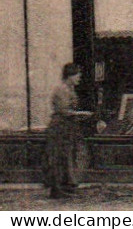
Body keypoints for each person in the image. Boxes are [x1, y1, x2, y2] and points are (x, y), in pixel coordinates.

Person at [42, 63, 91, 200]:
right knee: (59, 157)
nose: (79, 78)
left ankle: (65, 187)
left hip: (68, 127)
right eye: (77, 75)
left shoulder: (69, 89)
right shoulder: (62, 90)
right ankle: (57, 189)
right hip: (60, 128)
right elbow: (63, 111)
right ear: (69, 76)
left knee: (68, 156)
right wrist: (82, 114)